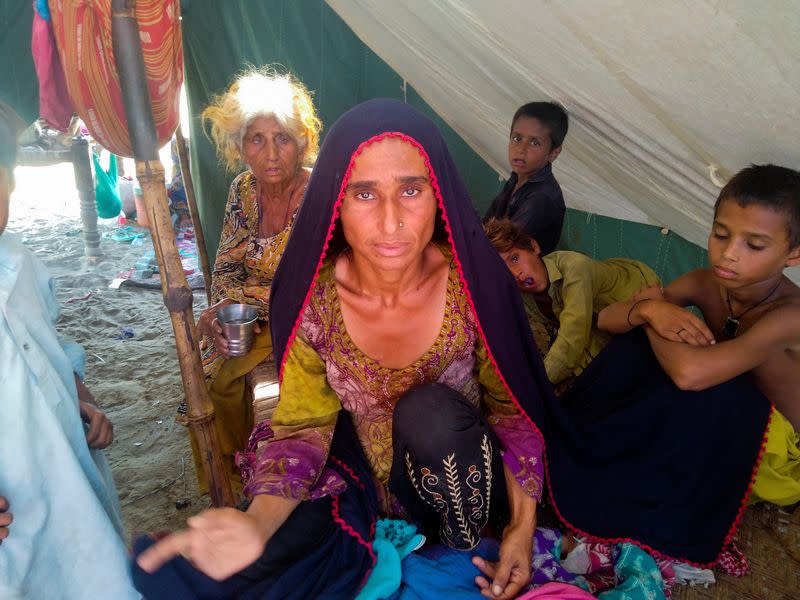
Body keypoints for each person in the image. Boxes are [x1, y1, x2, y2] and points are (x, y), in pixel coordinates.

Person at [133, 99, 554, 600]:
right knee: (228, 570)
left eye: (411, 190)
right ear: (336, 200)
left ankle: (458, 541)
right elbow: (304, 426)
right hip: (358, 472)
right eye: (365, 194)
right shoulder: (317, 297)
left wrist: (521, 530)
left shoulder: (475, 285)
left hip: (457, 477)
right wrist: (260, 525)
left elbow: (514, 413)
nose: (392, 221)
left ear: (439, 194)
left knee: (429, 414)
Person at [597, 164, 800, 507]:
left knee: (681, 370)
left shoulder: (790, 316)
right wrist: (649, 311)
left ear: (793, 255)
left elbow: (690, 375)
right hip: (724, 406)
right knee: (633, 347)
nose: (730, 253)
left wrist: (650, 312)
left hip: (776, 448)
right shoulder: (705, 282)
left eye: (754, 244)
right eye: (721, 234)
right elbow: (605, 318)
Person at [0, 103, 138, 598]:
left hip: (68, 474)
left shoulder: (21, 265)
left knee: (97, 574)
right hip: (12, 519)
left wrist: (85, 400)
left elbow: (51, 349)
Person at [188, 68, 323, 491]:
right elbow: (227, 267)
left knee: (254, 389)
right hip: (253, 318)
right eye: (256, 139)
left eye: (282, 138)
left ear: (301, 141)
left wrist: (247, 302)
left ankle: (259, 479)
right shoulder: (243, 191)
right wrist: (221, 310)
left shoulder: (317, 192)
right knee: (205, 376)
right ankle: (227, 480)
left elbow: (314, 284)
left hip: (303, 322)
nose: (270, 153)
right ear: (240, 147)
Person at [485, 217, 660, 386]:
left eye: (514, 258)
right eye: (505, 272)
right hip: (598, 323)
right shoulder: (524, 295)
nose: (516, 274)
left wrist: (537, 386)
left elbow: (573, 333)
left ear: (533, 246)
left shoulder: (574, 267)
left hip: (639, 294)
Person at [483, 102, 568, 255]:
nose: (521, 150)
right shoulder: (517, 179)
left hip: (517, 274)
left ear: (553, 153)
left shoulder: (542, 197)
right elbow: (486, 224)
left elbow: (503, 246)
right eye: (517, 138)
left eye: (535, 143)